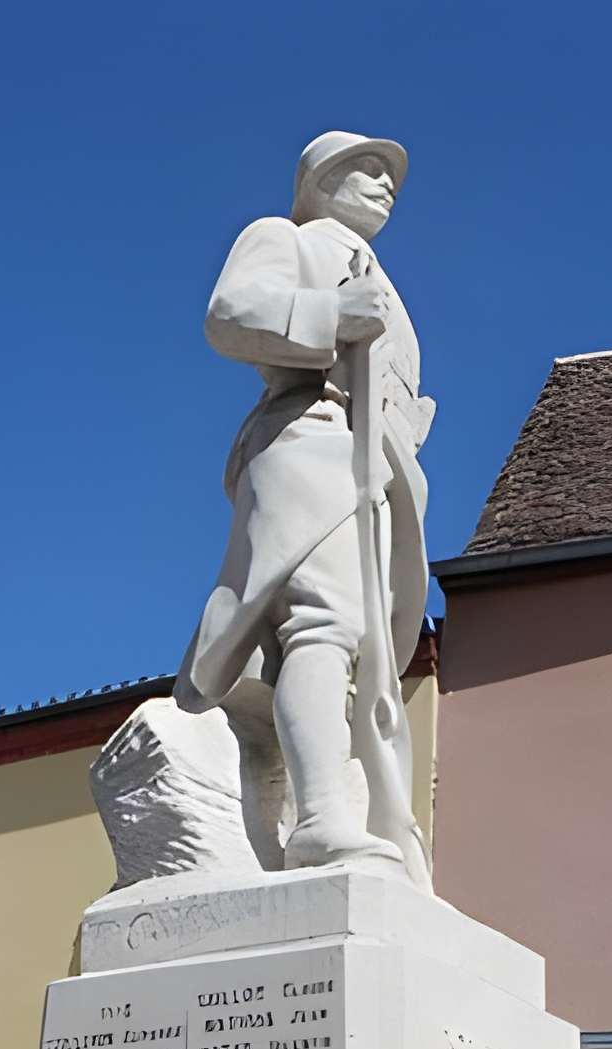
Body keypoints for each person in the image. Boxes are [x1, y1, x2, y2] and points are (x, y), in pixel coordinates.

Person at [177, 131, 434, 875]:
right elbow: (230, 314)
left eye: (392, 177)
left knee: (362, 654)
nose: (387, 186)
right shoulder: (286, 238)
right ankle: (320, 818)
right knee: (323, 624)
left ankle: (342, 808)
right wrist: (330, 315)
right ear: (319, 181)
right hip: (310, 442)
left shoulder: (388, 281)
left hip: (377, 472)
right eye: (368, 170)